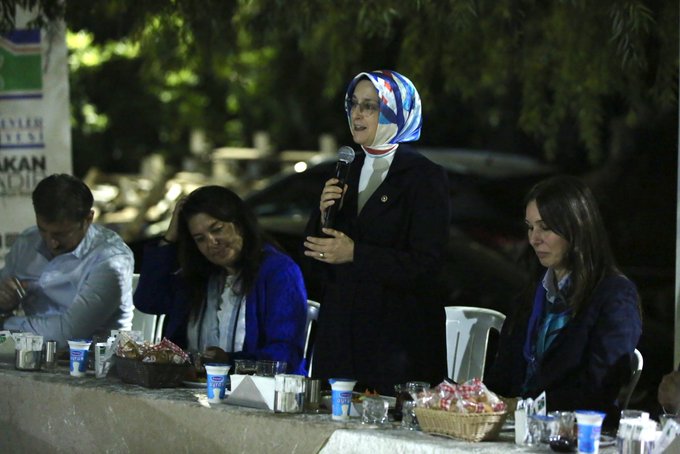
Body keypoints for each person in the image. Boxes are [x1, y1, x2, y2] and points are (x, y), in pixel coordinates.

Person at [303, 70, 450, 395]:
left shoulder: (423, 177)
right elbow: (316, 260)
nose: (357, 113)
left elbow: (428, 265)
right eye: (354, 104)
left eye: (369, 106)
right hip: (341, 338)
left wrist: (356, 254)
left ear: (397, 113)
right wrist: (322, 216)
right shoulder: (344, 169)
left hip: (395, 343)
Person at [485, 175, 642, 425]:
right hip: (514, 430)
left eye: (545, 227)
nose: (534, 239)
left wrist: (523, 407)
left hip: (575, 435)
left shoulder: (613, 296)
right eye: (530, 226)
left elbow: (598, 391)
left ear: (576, 228)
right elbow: (503, 375)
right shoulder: (533, 293)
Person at [133, 186, 308, 374]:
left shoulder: (278, 271)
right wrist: (169, 239)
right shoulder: (201, 274)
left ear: (239, 223)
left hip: (258, 395)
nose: (212, 242)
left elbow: (286, 354)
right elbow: (149, 301)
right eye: (200, 239)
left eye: (217, 229)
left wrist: (229, 362)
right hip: (191, 390)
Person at [0, 174, 134, 347]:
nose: (51, 243)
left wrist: (5, 323)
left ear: (88, 219)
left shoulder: (111, 260)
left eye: (61, 234)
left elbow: (70, 333)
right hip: (30, 357)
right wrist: (5, 303)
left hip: (97, 365)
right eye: (43, 230)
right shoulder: (27, 242)